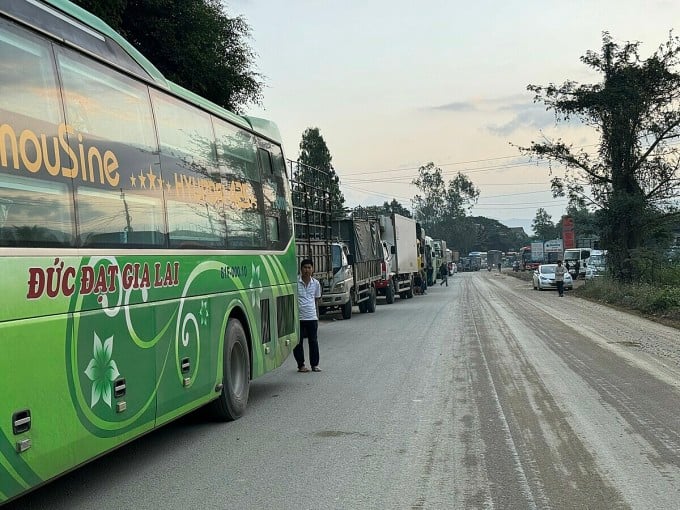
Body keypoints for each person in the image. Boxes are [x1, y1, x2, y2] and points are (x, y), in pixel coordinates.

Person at [294, 258, 322, 373]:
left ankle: (314, 365)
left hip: (311, 317)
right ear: (301, 269)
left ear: (313, 269)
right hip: (298, 317)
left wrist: (317, 315)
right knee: (298, 342)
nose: (307, 270)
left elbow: (316, 299)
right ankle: (301, 365)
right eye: (305, 267)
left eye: (309, 267)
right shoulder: (295, 283)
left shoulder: (316, 284)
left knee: (313, 341)